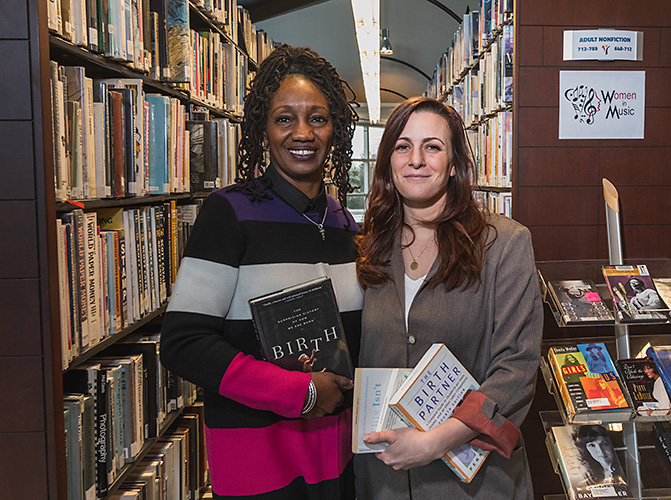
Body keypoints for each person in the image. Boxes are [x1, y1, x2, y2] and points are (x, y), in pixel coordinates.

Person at [159, 45, 363, 499]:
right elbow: (182, 344)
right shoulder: (229, 213)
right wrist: (300, 394)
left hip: (341, 465)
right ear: (263, 129)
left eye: (318, 117)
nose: (302, 132)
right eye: (284, 118)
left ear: (335, 130)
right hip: (260, 468)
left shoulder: (343, 223)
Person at [354, 96, 544, 499]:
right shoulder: (369, 247)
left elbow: (517, 368)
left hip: (473, 481)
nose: (416, 159)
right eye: (403, 146)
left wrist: (436, 440)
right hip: (384, 476)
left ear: (454, 163)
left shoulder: (504, 244)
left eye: (432, 147)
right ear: (388, 161)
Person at [573, 425, 629, 494]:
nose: (600, 451)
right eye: (592, 445)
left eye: (604, 444)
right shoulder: (586, 481)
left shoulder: (629, 472)